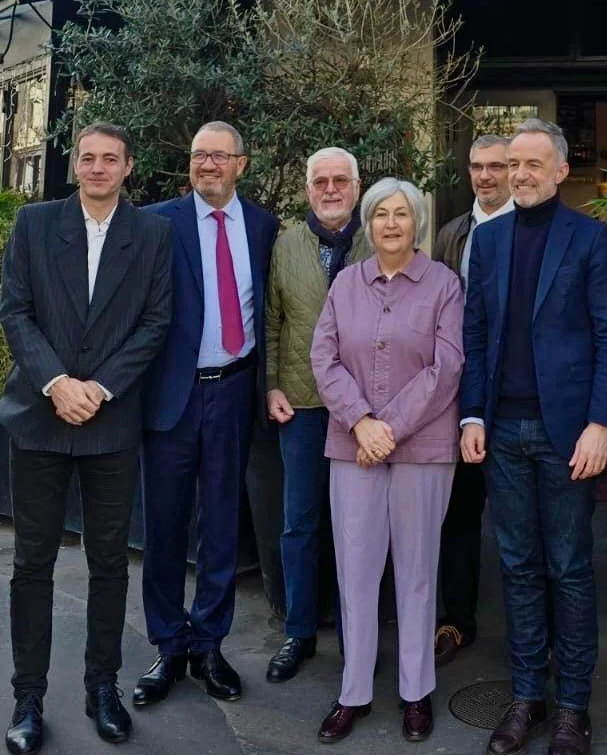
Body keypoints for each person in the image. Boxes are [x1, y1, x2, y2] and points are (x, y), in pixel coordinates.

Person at [0, 123, 172, 752]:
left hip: (110, 420)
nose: (97, 168)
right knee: (33, 564)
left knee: (107, 562)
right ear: (73, 165)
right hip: (41, 417)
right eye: (87, 158)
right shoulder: (36, 224)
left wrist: (98, 389)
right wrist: (56, 383)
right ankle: (27, 698)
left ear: (129, 167)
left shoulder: (152, 234)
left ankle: (102, 687)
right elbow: (14, 309)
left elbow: (156, 322)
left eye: (110, 159)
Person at [460, 118, 607, 755]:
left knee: (569, 568)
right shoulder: (491, 239)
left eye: (533, 164)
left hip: (568, 433)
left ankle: (573, 708)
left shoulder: (590, 239)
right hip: (501, 430)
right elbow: (475, 335)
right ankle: (528, 695)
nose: (519, 175)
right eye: (512, 165)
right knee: (518, 565)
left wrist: (600, 424)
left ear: (560, 171)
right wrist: (471, 414)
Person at [311, 178, 464, 744]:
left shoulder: (443, 284)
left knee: (418, 571)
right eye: (381, 215)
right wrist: (362, 422)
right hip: (353, 446)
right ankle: (353, 691)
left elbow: (445, 368)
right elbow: (322, 357)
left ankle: (416, 692)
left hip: (422, 448)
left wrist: (389, 428)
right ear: (368, 224)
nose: (391, 224)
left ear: (416, 223)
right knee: (355, 571)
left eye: (402, 214)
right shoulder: (346, 283)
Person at [134, 122, 279, 708]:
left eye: (219, 156)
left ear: (241, 164)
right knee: (165, 525)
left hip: (234, 391)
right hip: (171, 394)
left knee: (221, 523)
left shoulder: (266, 227)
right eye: (199, 156)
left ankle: (209, 644)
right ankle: (169, 645)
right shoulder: (155, 223)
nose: (208, 165)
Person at [264, 147, 369, 683]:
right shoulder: (286, 245)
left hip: (364, 411)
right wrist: (272, 385)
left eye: (340, 180)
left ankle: (359, 634)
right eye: (320, 181)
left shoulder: (378, 238)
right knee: (299, 523)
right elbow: (273, 322)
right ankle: (299, 631)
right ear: (308, 189)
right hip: (303, 406)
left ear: (356, 186)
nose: (330, 189)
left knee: (360, 528)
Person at [432, 133, 514, 667]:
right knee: (457, 514)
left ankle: (530, 634)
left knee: (516, 520)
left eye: (496, 167)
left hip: (512, 397)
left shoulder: (528, 227)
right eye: (476, 167)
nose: (485, 177)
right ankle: (455, 620)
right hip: (457, 396)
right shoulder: (451, 234)